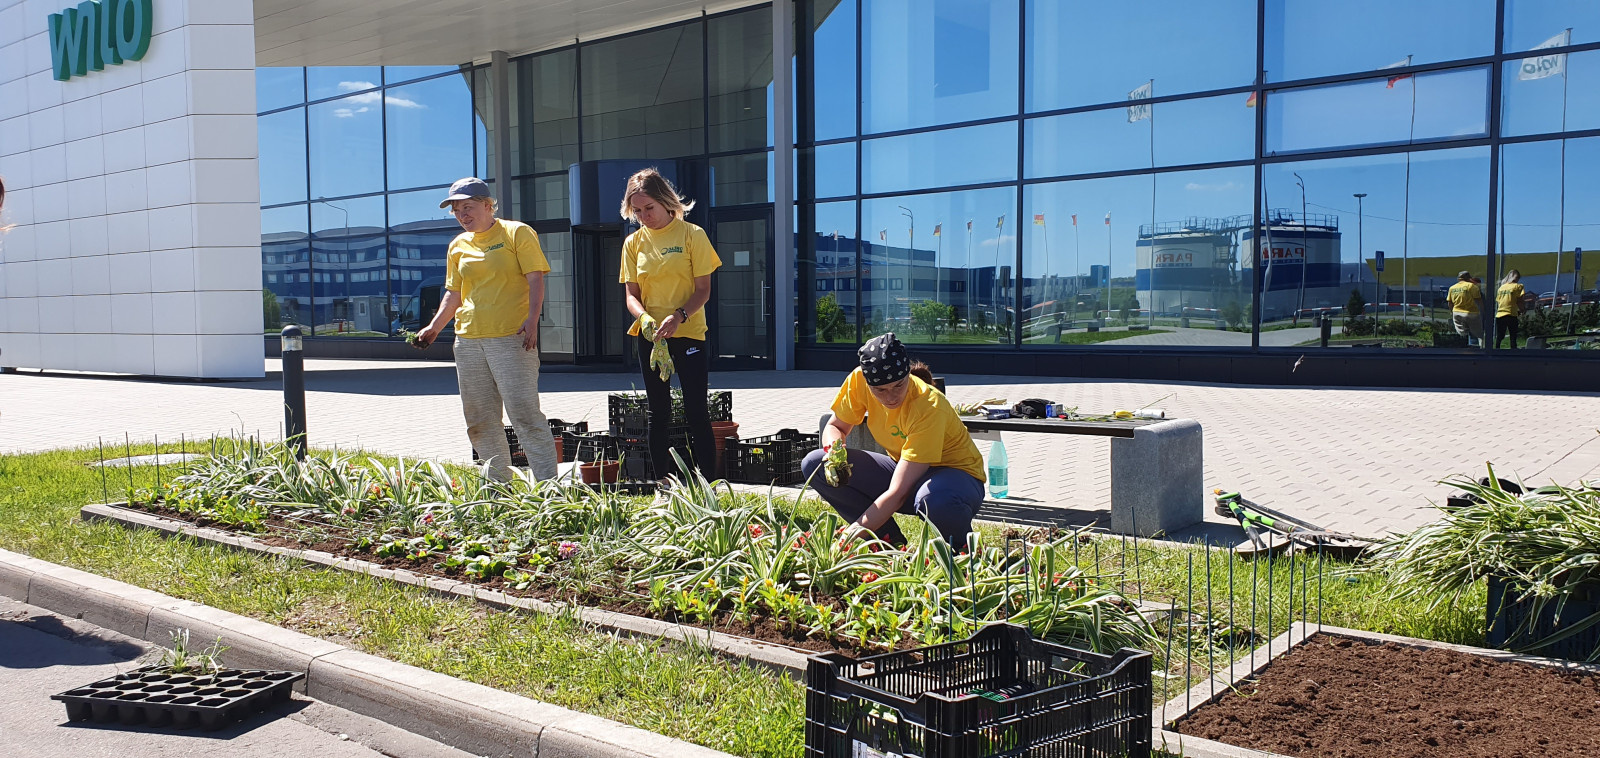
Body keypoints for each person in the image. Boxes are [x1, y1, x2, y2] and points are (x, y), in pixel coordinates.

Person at [415, 177, 559, 482]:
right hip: (468, 341)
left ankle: (549, 488)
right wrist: (433, 327)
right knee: (480, 419)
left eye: (468, 207)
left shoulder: (516, 232)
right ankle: (499, 488)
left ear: (487, 205)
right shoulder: (457, 246)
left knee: (524, 414)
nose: (462, 215)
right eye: (456, 210)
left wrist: (533, 320)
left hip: (511, 338)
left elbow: (536, 279)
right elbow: (454, 294)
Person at [800, 333, 986, 551]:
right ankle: (888, 545)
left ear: (908, 373)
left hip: (957, 480)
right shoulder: (859, 379)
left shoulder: (928, 405)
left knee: (933, 500)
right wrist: (834, 452)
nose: (891, 397)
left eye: (899, 385)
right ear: (867, 382)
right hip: (908, 471)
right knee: (816, 464)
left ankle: (963, 554)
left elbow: (898, 493)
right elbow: (836, 427)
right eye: (880, 390)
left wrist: (853, 532)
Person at [619, 168, 722, 484]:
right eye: (636, 211)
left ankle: (707, 484)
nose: (643, 216)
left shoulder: (693, 235)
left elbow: (703, 290)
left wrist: (679, 316)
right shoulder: (633, 243)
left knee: (696, 411)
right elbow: (631, 297)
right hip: (651, 337)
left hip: (688, 332)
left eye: (648, 208)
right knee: (658, 412)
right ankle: (663, 483)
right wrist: (646, 320)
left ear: (666, 202)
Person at [1446, 270, 1485, 347]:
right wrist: (1482, 312)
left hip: (1457, 313)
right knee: (1478, 335)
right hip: (1471, 313)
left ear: (1458, 279)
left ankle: (1462, 349)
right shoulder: (1472, 286)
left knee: (1462, 334)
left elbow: (1450, 303)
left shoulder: (1452, 288)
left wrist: (1452, 312)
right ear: (1469, 278)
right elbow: (1478, 301)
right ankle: (1481, 349)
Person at [1495, 269, 1526, 349]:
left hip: (1500, 314)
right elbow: (1520, 300)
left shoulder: (1501, 288)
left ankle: (1496, 350)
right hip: (1511, 313)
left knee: (1500, 335)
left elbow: (1499, 302)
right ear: (1517, 278)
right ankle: (1513, 351)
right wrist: (1522, 310)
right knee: (1513, 335)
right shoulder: (1518, 286)